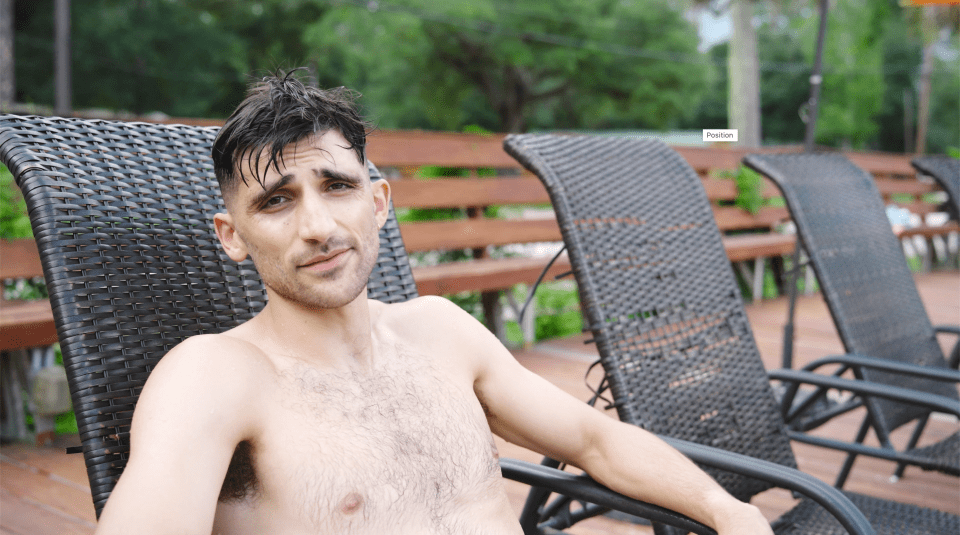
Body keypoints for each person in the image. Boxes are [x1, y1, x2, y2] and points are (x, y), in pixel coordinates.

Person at [94, 70, 772, 535]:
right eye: (275, 201)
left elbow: (594, 439)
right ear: (232, 236)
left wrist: (724, 508)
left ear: (378, 202)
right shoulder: (215, 375)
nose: (319, 226)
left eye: (337, 186)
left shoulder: (442, 330)